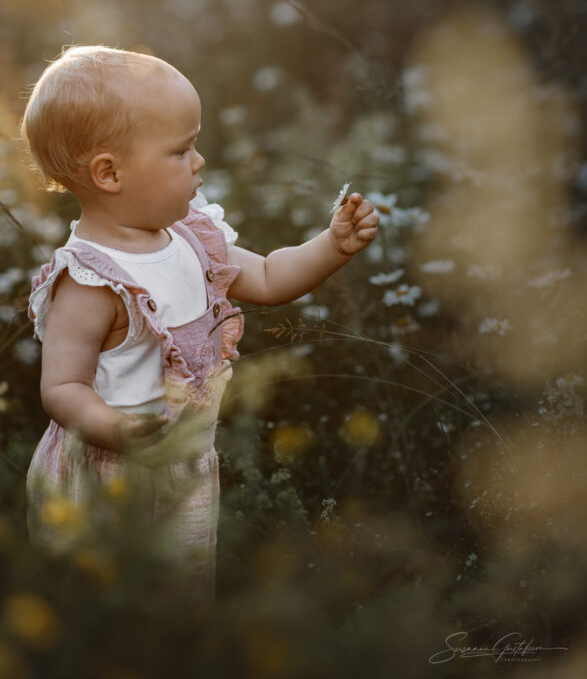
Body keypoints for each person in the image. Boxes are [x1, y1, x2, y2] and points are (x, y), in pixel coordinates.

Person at [22, 45, 379, 601]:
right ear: (110, 173)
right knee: (106, 608)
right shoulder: (93, 281)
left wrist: (331, 246)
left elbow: (269, 277)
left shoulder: (191, 236)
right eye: (181, 149)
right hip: (109, 480)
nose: (199, 162)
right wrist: (115, 429)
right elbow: (62, 387)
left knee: (177, 603)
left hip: (182, 469)